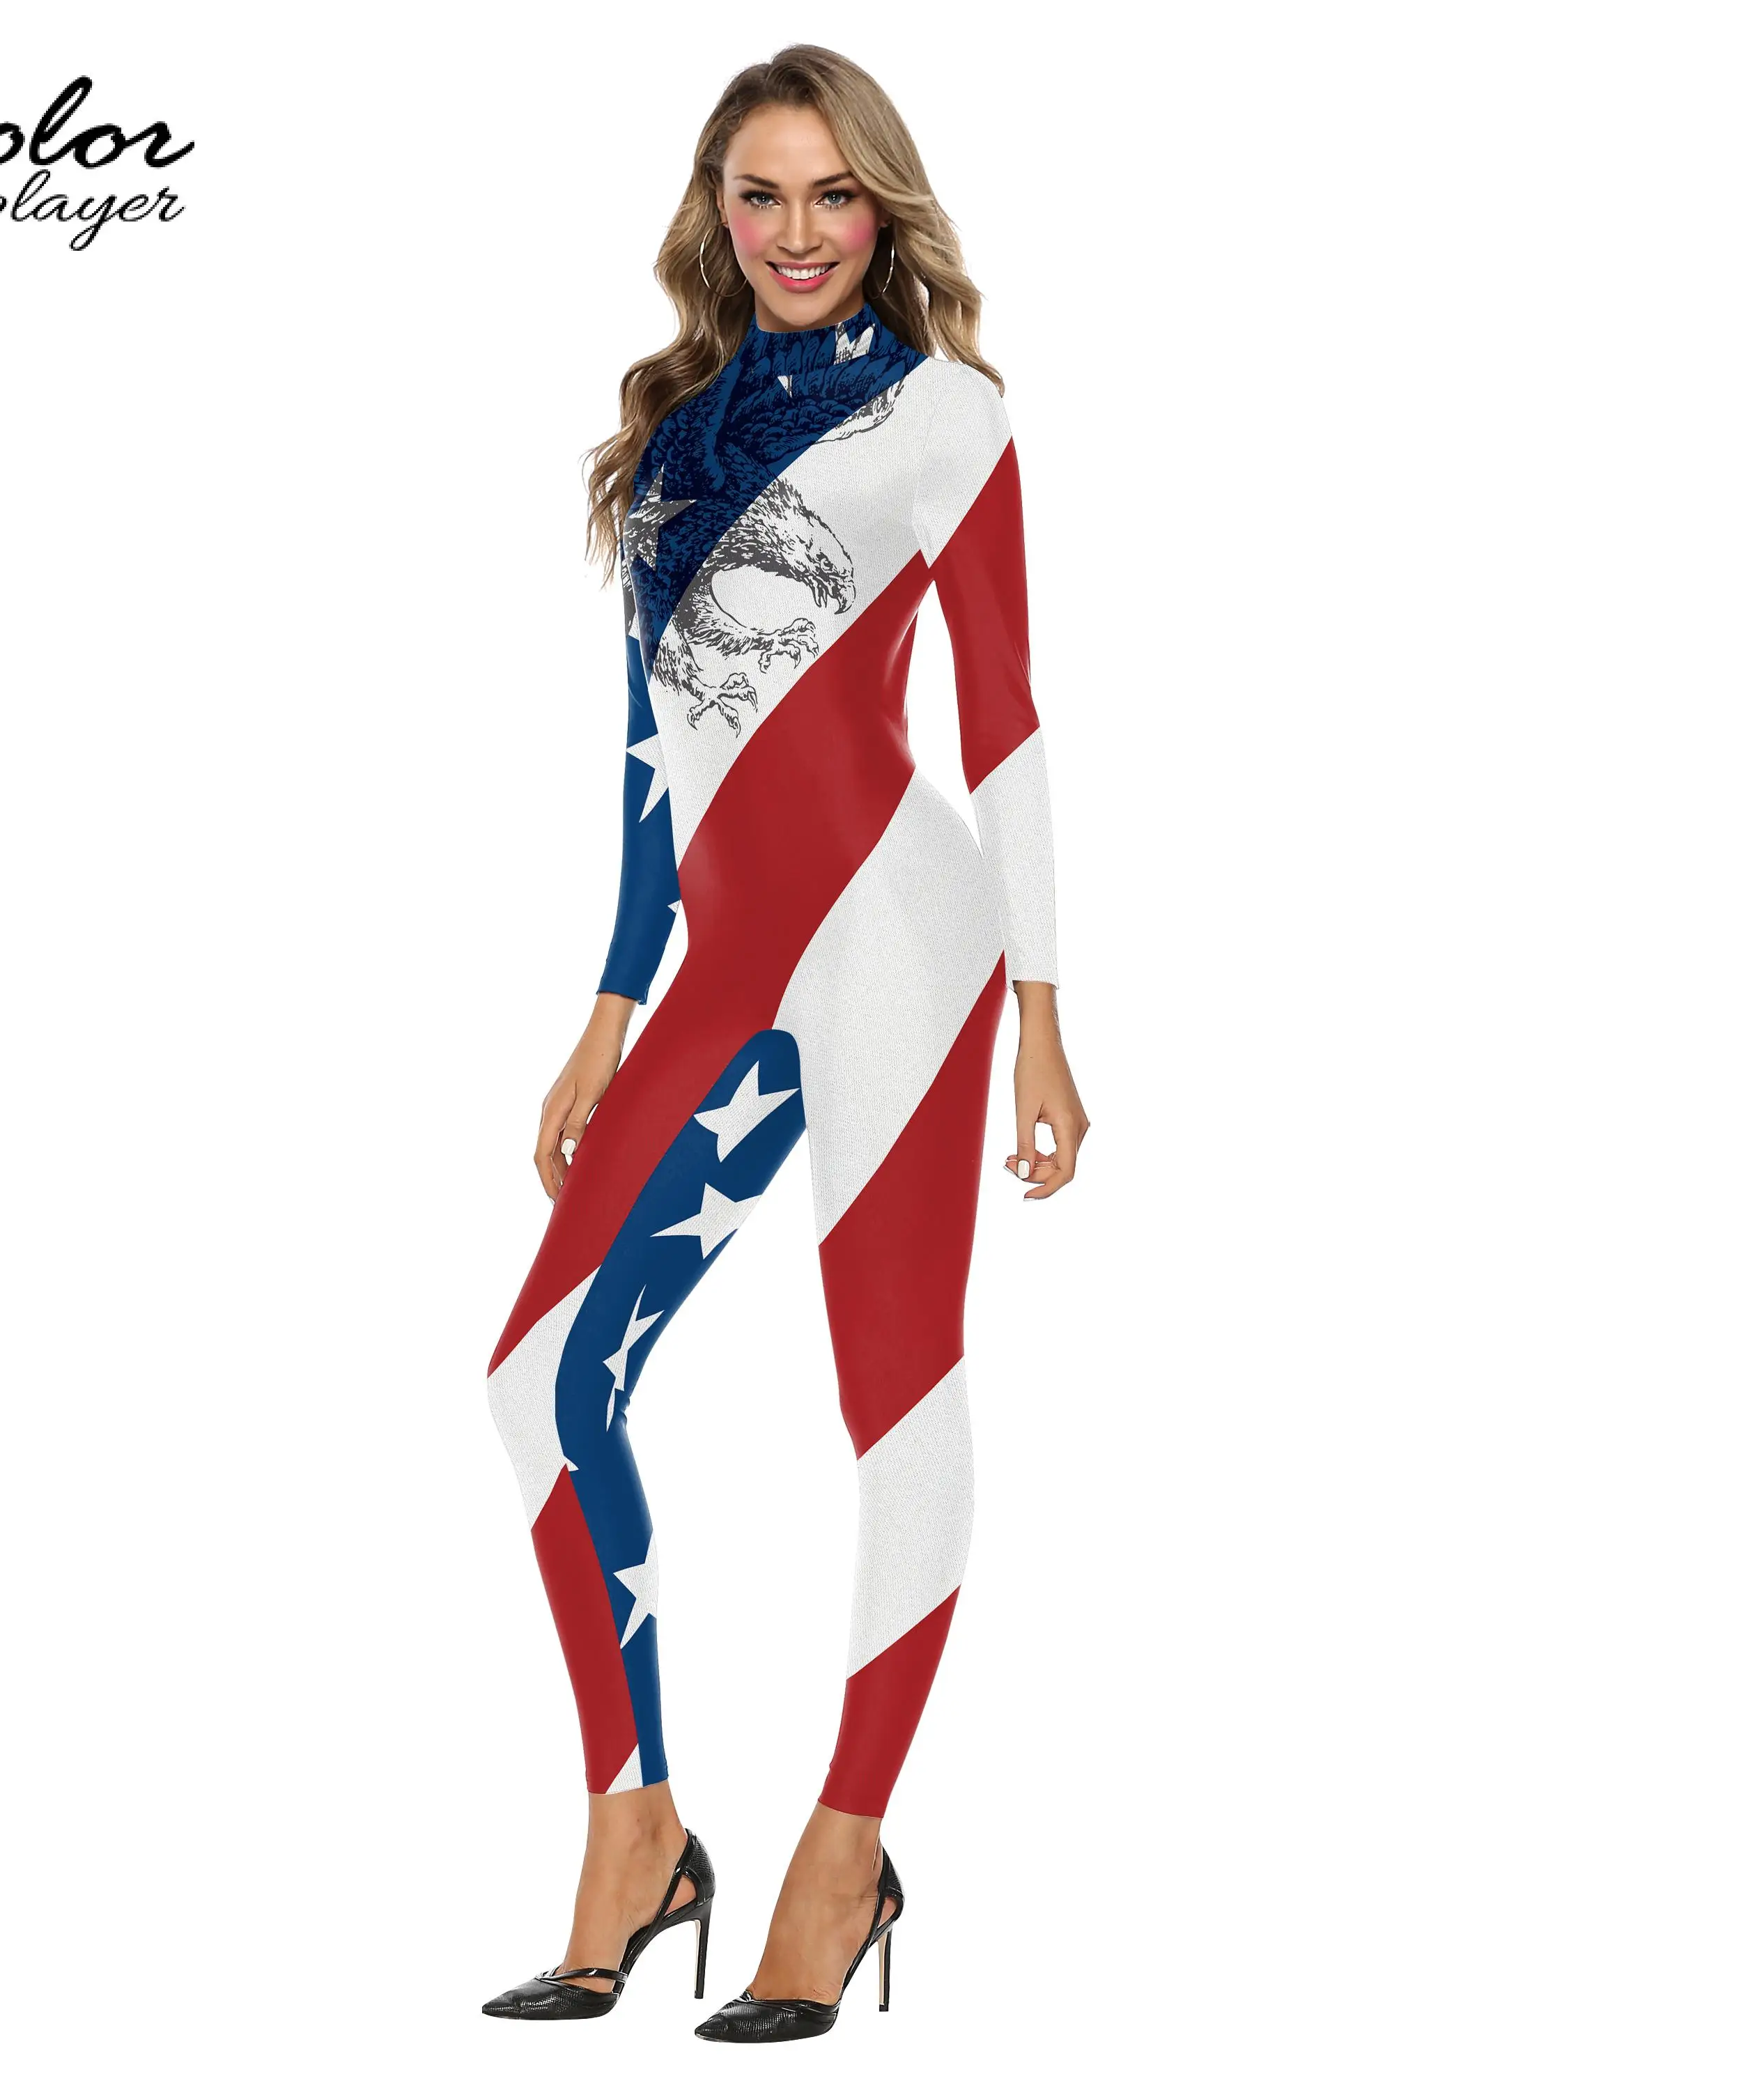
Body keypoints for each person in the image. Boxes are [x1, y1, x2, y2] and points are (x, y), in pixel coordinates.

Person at [481, 44, 1090, 2043]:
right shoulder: (672, 446)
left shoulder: (949, 417)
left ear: (883, 206)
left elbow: (1004, 723)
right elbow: (654, 764)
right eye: (763, 194)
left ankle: (844, 1850)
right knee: (540, 1376)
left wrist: (1046, 1014)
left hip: (909, 951)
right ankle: (638, 1822)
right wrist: (608, 1013)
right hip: (731, 968)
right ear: (716, 213)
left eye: (836, 194)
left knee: (892, 1406)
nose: (801, 231)